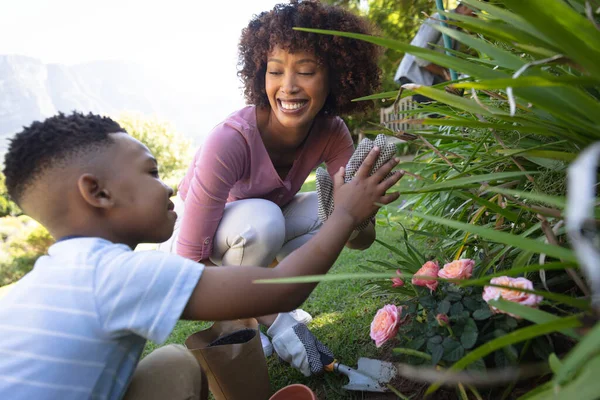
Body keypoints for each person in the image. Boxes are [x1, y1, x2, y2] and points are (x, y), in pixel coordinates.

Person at [0, 112, 403, 400]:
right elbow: (282, 291)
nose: (170, 189)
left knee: (173, 364)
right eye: (152, 172)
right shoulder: (116, 274)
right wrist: (346, 213)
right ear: (99, 193)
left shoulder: (47, 279)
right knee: (174, 368)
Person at [158, 0, 385, 366]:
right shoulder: (230, 140)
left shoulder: (332, 131)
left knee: (321, 211)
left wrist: (362, 210)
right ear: (260, 73)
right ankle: (241, 317)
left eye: (306, 71)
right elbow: (187, 264)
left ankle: (264, 304)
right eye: (275, 71)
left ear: (336, 76)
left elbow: (360, 241)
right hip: (203, 237)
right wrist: (277, 318)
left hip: (260, 226)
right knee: (263, 221)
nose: (288, 87)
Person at [394, 1, 475, 103]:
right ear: (465, 8)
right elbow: (420, 57)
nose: (476, 18)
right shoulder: (439, 19)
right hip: (414, 75)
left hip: (432, 78)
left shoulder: (457, 31)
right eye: (475, 13)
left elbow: (450, 63)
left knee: (454, 104)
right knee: (437, 114)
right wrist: (444, 73)